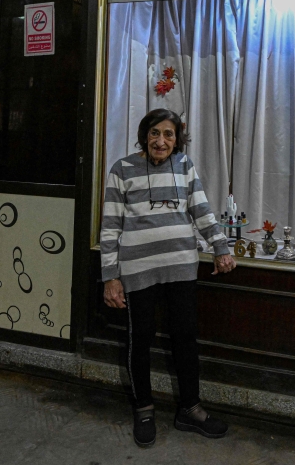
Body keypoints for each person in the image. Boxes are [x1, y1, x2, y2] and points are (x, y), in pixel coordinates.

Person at [100, 108, 236, 448]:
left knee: (186, 337)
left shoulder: (185, 165)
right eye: (155, 133)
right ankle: (144, 408)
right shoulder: (122, 169)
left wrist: (220, 246)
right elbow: (110, 225)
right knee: (140, 337)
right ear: (145, 135)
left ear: (177, 139)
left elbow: (201, 210)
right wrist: (110, 277)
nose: (161, 140)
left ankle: (190, 409)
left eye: (169, 134)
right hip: (137, 269)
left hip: (180, 265)